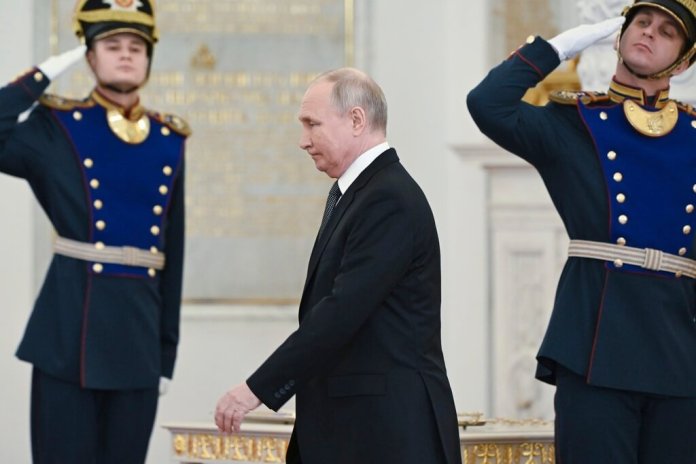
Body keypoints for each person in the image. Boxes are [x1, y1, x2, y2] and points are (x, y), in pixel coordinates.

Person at [468, 0, 696, 462]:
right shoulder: (575, 123)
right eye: (641, 22)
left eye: (667, 31)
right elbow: (487, 103)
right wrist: (558, 47)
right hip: (596, 347)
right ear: (618, 33)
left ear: (685, 60)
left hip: (680, 352)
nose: (649, 33)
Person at [215, 68, 461, 464]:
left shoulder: (388, 199)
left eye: (312, 124)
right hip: (358, 430)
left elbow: (339, 312)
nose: (303, 141)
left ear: (357, 120)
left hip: (387, 435)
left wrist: (255, 389)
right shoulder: (363, 194)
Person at [0, 0, 189, 462]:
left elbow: (173, 254)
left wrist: (166, 354)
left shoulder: (169, 138)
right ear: (88, 56)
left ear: (148, 58)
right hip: (69, 338)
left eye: (136, 46)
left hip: (137, 342)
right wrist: (42, 74)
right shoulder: (57, 126)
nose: (126, 54)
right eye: (111, 44)